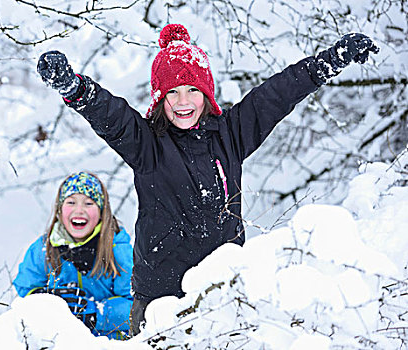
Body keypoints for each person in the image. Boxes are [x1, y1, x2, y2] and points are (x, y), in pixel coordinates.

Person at [35, 24, 379, 335]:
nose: (183, 102)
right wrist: (74, 87)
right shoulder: (147, 145)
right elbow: (111, 113)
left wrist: (329, 61)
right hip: (159, 299)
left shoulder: (231, 134)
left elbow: (276, 95)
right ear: (160, 98)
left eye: (192, 90)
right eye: (173, 93)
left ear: (206, 94)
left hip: (225, 292)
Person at [13, 171, 133, 339]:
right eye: (71, 202)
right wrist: (50, 299)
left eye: (89, 203)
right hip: (59, 340)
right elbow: (25, 291)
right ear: (60, 209)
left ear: (101, 212)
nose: (79, 210)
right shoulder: (43, 249)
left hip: (108, 342)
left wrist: (94, 315)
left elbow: (135, 306)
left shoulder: (118, 250)